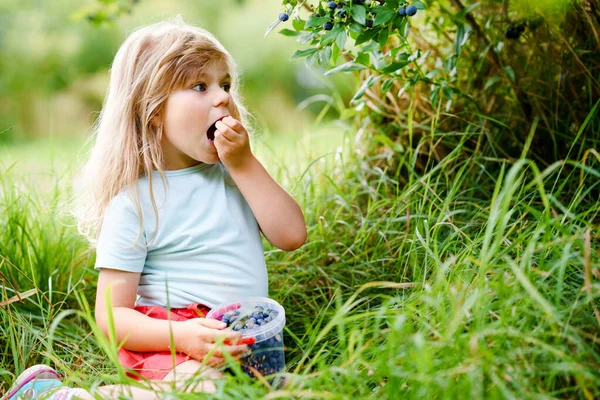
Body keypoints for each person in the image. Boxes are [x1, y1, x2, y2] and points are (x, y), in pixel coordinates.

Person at [5, 15, 306, 400]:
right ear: (154, 111)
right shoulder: (135, 203)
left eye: (225, 84)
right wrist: (184, 337)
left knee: (289, 391)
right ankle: (57, 397)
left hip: (239, 339)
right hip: (172, 341)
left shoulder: (237, 176)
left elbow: (292, 235)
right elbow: (112, 317)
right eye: (200, 85)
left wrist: (245, 164)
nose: (222, 97)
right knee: (206, 391)